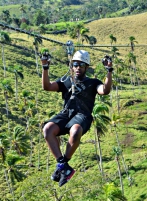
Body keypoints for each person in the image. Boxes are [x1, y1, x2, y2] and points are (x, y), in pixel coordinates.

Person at [41, 50, 113, 187]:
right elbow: (47, 87)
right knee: (48, 129)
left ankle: (63, 166)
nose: (78, 67)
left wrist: (109, 71)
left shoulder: (93, 83)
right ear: (72, 66)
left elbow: (105, 90)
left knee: (75, 131)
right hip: (66, 113)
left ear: (86, 67)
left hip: (83, 116)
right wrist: (45, 67)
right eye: (75, 64)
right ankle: (63, 165)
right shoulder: (66, 81)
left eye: (81, 65)